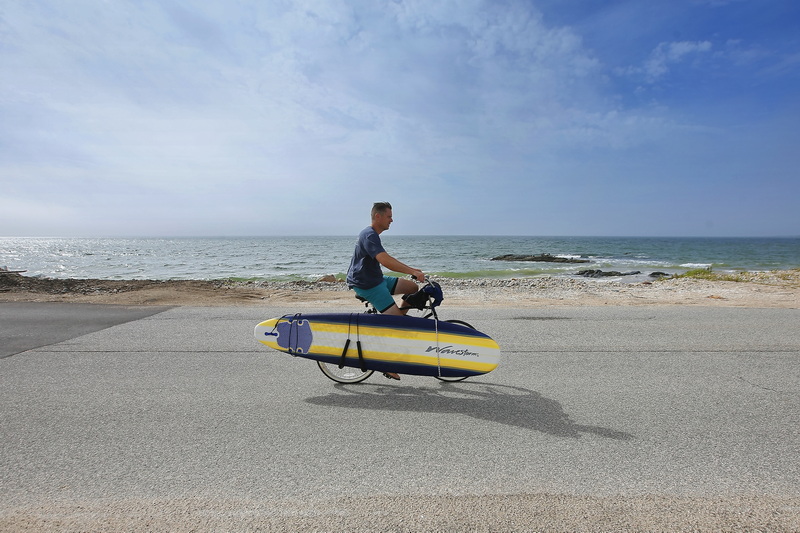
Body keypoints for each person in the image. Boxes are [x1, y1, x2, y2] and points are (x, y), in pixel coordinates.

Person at [346, 202, 425, 380]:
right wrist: (412, 271)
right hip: (368, 285)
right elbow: (386, 260)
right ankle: (386, 361)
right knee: (398, 324)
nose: (392, 220)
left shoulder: (373, 235)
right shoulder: (369, 235)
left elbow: (386, 261)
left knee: (412, 287)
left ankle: (396, 318)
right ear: (378, 216)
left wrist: (413, 271)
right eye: (389, 216)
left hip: (377, 279)